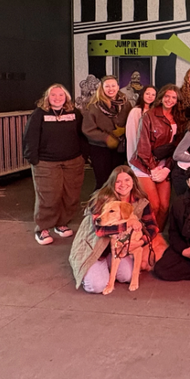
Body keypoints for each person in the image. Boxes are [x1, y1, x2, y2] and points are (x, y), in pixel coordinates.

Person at [68, 166, 160, 294]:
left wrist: (140, 242)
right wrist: (128, 223)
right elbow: (100, 230)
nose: (123, 185)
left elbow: (153, 227)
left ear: (133, 181)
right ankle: (88, 270)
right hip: (95, 248)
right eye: (118, 181)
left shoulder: (141, 202)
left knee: (126, 276)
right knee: (96, 286)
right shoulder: (102, 199)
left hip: (118, 249)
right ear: (112, 183)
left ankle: (108, 266)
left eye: (127, 180)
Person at [22, 83, 86, 245]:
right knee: (48, 197)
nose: (57, 98)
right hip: (46, 163)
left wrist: (84, 155)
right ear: (47, 98)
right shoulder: (39, 114)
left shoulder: (74, 113)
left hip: (73, 161)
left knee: (70, 195)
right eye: (53, 95)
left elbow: (82, 135)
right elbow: (30, 137)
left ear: (66, 98)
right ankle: (43, 228)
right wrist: (33, 159)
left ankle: (61, 224)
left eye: (61, 95)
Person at [129, 83, 183, 229]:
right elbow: (143, 146)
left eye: (173, 97)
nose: (170, 100)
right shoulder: (149, 116)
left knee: (165, 206)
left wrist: (167, 168)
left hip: (164, 164)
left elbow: (178, 148)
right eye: (167, 96)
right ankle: (146, 236)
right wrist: (153, 168)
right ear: (161, 97)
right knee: (154, 205)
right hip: (144, 164)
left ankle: (156, 236)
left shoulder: (179, 118)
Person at [81, 75, 132, 189]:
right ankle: (99, 206)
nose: (111, 89)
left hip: (119, 149)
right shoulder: (93, 106)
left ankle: (116, 206)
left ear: (118, 87)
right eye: (107, 86)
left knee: (117, 181)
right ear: (102, 88)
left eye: (113, 85)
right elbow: (88, 129)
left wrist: (124, 130)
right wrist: (106, 138)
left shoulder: (125, 104)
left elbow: (131, 121)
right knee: (103, 182)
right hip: (100, 149)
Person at [125, 85, 158, 168]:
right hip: (137, 151)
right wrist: (133, 155)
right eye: (147, 94)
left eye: (153, 95)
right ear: (142, 94)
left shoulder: (155, 112)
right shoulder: (136, 111)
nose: (150, 96)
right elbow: (131, 135)